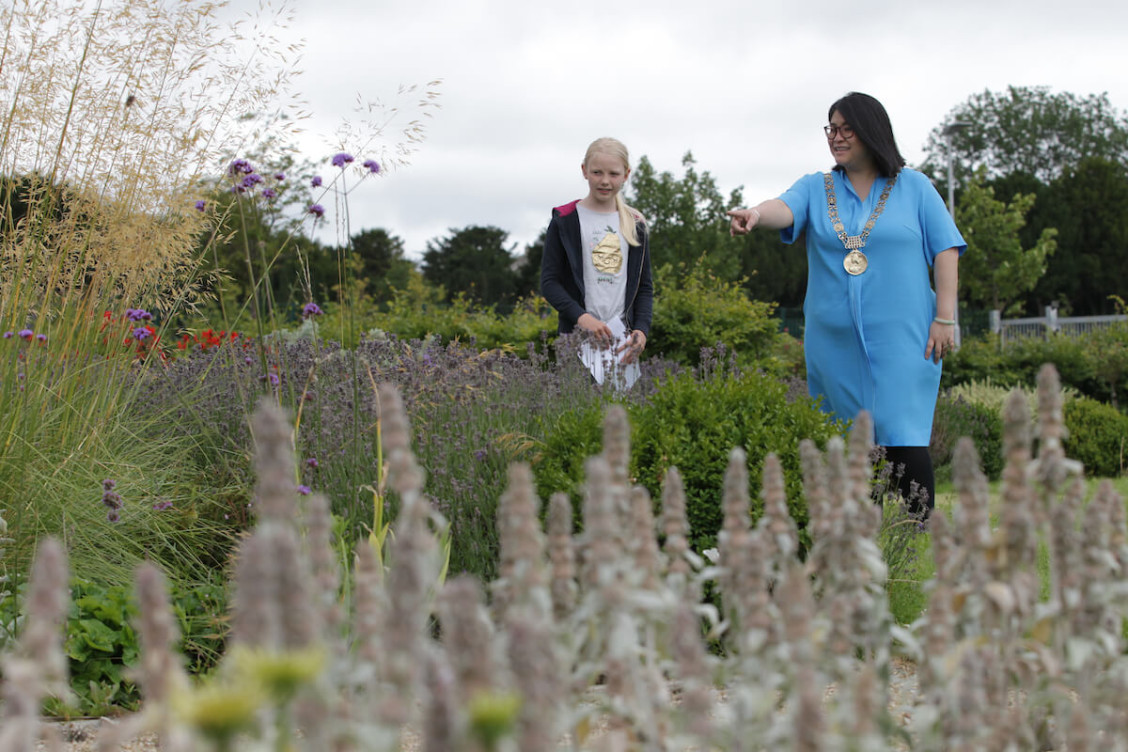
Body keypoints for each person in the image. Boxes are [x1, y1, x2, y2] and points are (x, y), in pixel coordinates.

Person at [728, 92, 965, 517]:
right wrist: (756, 215)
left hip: (905, 337)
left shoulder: (915, 187)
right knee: (846, 435)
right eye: (831, 129)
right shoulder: (817, 187)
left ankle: (919, 533)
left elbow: (946, 248)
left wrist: (945, 317)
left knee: (903, 431)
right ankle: (856, 529)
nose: (835, 137)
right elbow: (783, 207)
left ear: (871, 131)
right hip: (832, 340)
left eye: (845, 129)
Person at [541, 137, 653, 384]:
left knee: (621, 419)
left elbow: (644, 288)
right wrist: (584, 319)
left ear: (626, 175)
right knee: (575, 419)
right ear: (584, 171)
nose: (605, 181)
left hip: (623, 345)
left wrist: (641, 332)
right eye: (597, 172)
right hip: (576, 342)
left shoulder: (636, 223)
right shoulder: (565, 219)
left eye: (613, 174)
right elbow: (549, 283)